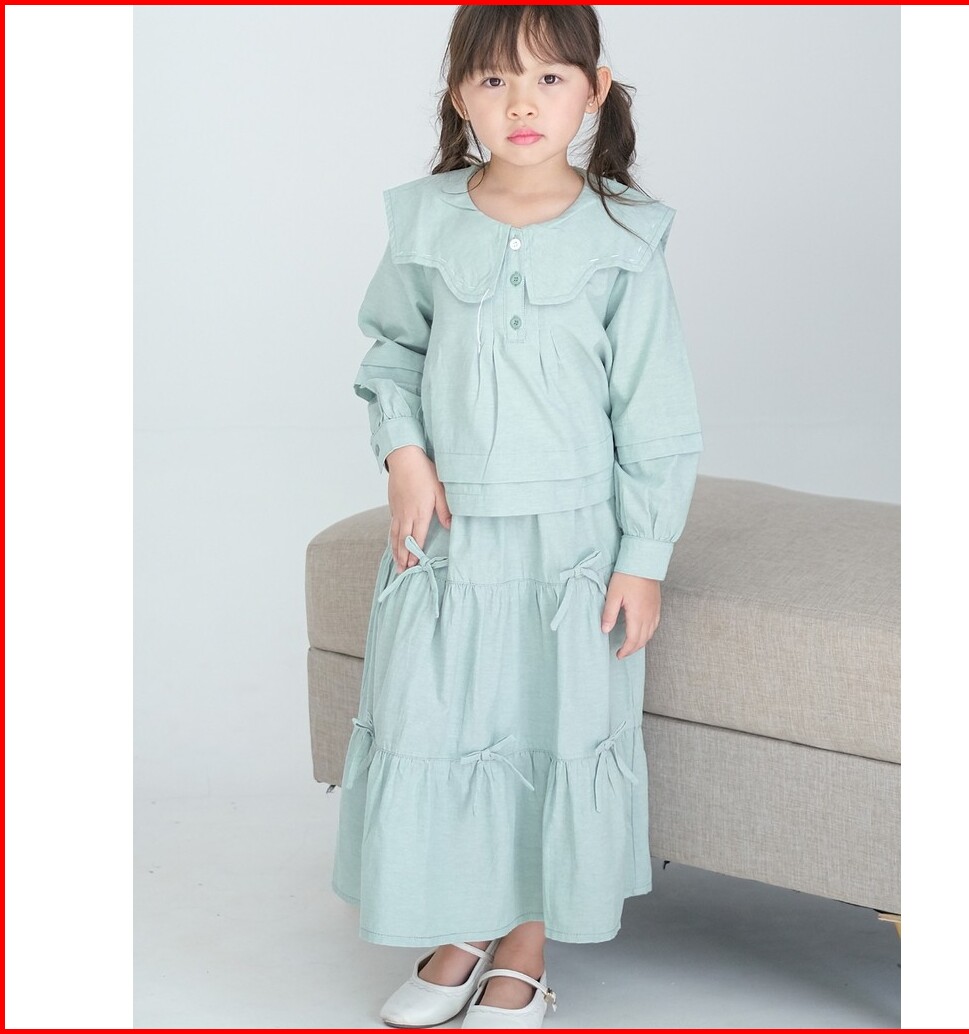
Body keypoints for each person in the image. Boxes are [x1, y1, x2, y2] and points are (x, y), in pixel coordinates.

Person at [331, 5, 704, 1028]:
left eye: (549, 78)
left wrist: (644, 555)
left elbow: (655, 411)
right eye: (494, 80)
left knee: (547, 728)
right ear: (459, 94)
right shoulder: (426, 220)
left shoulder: (624, 234)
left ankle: (526, 943)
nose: (521, 103)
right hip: (449, 537)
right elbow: (391, 353)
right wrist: (404, 455)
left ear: (595, 89)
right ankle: (463, 919)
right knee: (441, 721)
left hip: (569, 546)